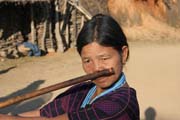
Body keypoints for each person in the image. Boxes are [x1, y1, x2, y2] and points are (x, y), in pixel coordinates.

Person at [0, 14, 139, 120]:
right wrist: (12, 116)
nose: (96, 68)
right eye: (87, 61)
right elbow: (42, 113)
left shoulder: (121, 105)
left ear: (124, 54)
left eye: (104, 58)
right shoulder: (81, 90)